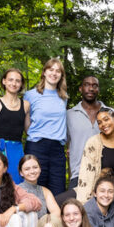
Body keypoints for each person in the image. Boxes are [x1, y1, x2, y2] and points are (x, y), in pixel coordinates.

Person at [73, 108, 114, 222]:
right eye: (99, 122)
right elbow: (86, 174)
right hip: (102, 190)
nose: (103, 124)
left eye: (106, 119)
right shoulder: (93, 142)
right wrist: (83, 204)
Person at [23, 58, 68, 196]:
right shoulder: (30, 95)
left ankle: (54, 218)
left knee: (58, 191)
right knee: (35, 190)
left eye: (58, 71)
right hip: (37, 146)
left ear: (61, 75)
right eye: (51, 69)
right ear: (44, 72)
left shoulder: (64, 97)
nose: (54, 73)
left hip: (57, 150)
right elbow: (27, 122)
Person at [66, 76, 114, 190]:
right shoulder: (69, 115)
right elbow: (63, 143)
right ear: (80, 88)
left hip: (107, 174)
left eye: (94, 86)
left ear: (98, 90)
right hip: (79, 174)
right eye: (87, 85)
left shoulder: (111, 113)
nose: (91, 88)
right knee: (75, 207)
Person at [0, 68, 30, 182]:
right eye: (10, 80)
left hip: (17, 150)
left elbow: (29, 130)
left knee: (16, 183)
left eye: (17, 81)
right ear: (4, 81)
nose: (14, 83)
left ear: (21, 84)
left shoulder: (25, 105)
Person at [16, 154, 61, 221]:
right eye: (27, 169)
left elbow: (56, 213)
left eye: (35, 167)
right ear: (21, 173)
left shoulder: (45, 191)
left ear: (40, 169)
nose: (32, 171)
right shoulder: (16, 190)